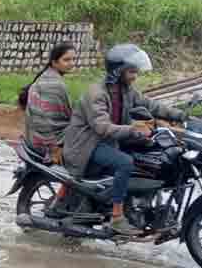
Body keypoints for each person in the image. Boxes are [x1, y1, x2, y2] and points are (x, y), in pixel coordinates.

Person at [62, 43, 184, 236]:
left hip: (109, 140)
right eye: (131, 71)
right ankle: (117, 217)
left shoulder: (126, 90)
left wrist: (179, 114)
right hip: (87, 144)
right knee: (125, 163)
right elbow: (102, 128)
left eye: (136, 71)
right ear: (117, 72)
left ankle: (132, 202)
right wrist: (134, 130)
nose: (135, 76)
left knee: (152, 152)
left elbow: (150, 104)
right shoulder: (97, 94)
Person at [21, 42, 77, 161]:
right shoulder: (55, 84)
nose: (72, 63)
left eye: (73, 59)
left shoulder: (47, 77)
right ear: (54, 62)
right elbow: (45, 120)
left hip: (35, 137)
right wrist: (54, 147)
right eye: (66, 60)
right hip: (46, 143)